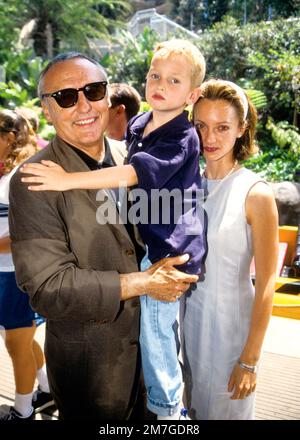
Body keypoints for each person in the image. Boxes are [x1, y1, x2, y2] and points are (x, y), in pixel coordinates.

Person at [19, 39, 207, 419]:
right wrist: (142, 283)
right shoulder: (36, 179)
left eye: (94, 90)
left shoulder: (130, 156)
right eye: (67, 97)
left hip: (147, 371)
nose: (85, 105)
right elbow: (47, 289)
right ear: (47, 109)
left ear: (109, 98)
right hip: (92, 375)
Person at [180, 79, 279, 420]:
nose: (210, 138)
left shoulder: (256, 193)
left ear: (241, 129)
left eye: (222, 127)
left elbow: (267, 281)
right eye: (201, 126)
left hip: (230, 333)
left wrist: (250, 359)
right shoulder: (187, 185)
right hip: (188, 325)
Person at [0, 109, 54, 421]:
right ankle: (46, 390)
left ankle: (22, 411)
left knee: (15, 343)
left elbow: (25, 233)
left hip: (16, 274)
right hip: (9, 272)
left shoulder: (16, 177)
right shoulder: (10, 173)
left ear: (9, 137)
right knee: (22, 337)